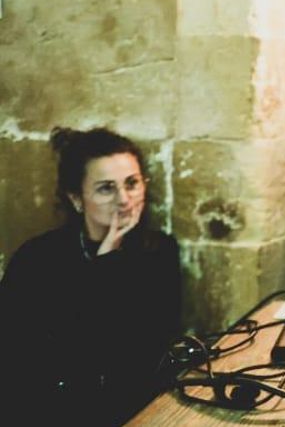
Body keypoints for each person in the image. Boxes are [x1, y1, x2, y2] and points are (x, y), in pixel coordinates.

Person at [0, 127, 182, 426]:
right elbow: (52, 357)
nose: (124, 199)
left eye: (132, 183)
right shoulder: (37, 259)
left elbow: (144, 350)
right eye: (106, 188)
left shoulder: (158, 253)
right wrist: (105, 263)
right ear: (76, 199)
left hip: (128, 407)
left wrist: (112, 262)